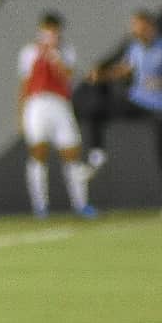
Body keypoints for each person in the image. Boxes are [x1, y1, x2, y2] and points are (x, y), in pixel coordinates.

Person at [85, 9, 162, 218]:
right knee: (98, 110)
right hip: (136, 102)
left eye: (138, 26)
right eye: (133, 26)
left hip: (159, 108)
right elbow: (125, 69)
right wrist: (103, 75)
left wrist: (161, 82)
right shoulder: (135, 48)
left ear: (150, 27)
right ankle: (97, 155)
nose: (134, 30)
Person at [18, 12, 96, 219]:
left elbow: (68, 76)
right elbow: (24, 84)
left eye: (53, 30)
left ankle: (81, 204)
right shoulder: (29, 52)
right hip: (36, 104)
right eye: (46, 30)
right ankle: (40, 206)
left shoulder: (65, 51)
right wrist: (21, 114)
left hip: (60, 104)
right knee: (38, 152)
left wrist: (55, 56)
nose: (50, 34)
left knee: (71, 152)